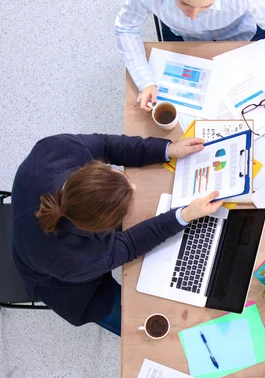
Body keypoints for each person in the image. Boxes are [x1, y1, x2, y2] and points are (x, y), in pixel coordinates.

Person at [11, 134, 222, 336]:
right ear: (102, 228)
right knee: (145, 324)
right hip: (70, 288)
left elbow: (105, 145)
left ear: (91, 168)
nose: (134, 185)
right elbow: (129, 244)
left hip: (35, 236)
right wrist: (184, 215)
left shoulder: (57, 150)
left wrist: (168, 149)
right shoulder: (77, 260)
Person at [115, 0, 265, 114]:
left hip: (237, 34)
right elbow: (126, 29)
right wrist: (145, 81)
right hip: (182, 36)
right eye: (184, 3)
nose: (193, 16)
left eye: (206, 6)